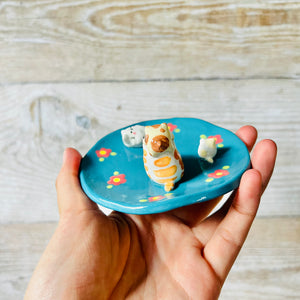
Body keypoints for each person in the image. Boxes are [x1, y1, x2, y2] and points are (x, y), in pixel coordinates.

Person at [24, 125, 277, 300]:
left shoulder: (170, 150)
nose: (158, 142)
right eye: (154, 140)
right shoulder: (149, 152)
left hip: (171, 176)